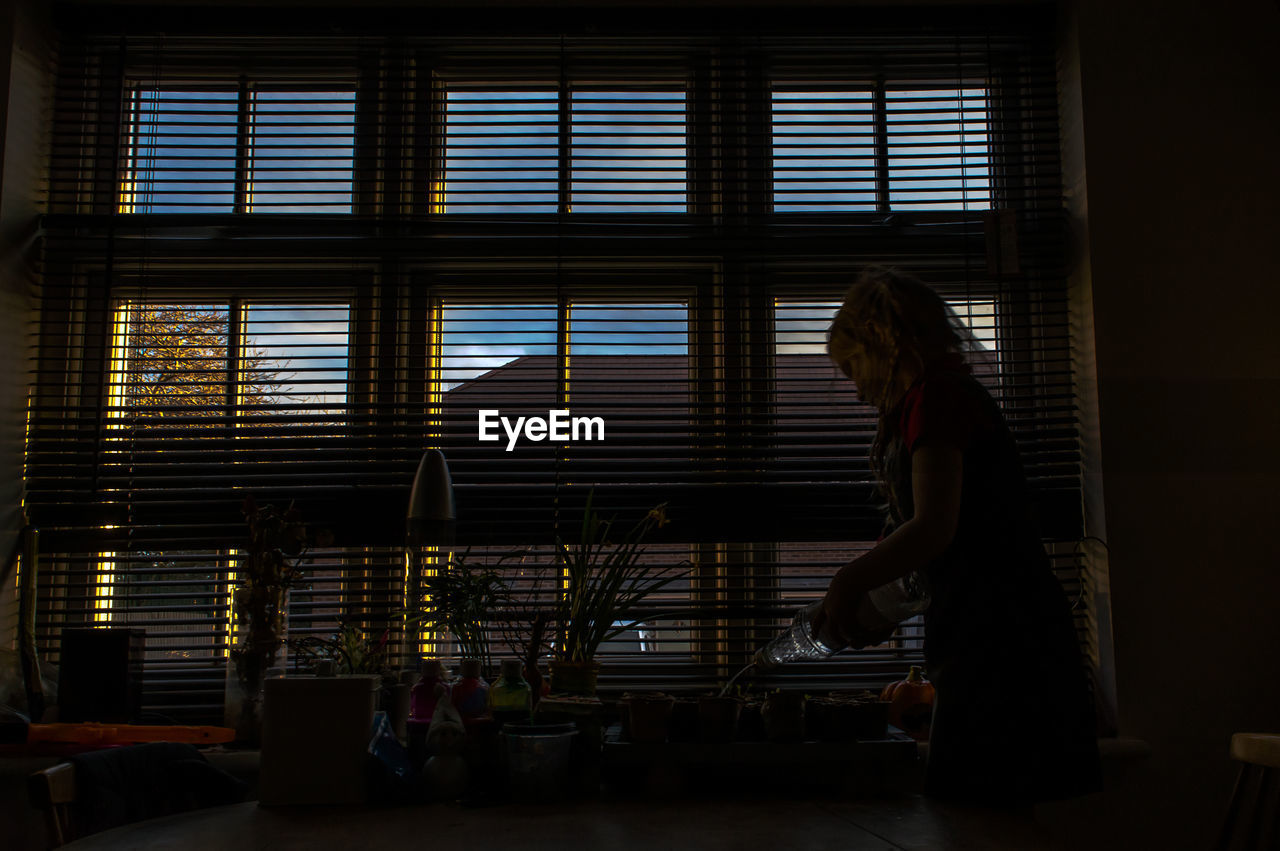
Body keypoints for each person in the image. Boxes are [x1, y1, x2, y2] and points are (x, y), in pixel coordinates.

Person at [815, 266, 1101, 805]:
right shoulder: (943, 396)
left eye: (853, 368)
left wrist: (848, 583)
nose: (855, 392)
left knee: (978, 819)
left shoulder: (938, 399)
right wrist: (879, 602)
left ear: (885, 345)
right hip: (1000, 637)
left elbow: (933, 528)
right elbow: (945, 540)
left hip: (1002, 649)